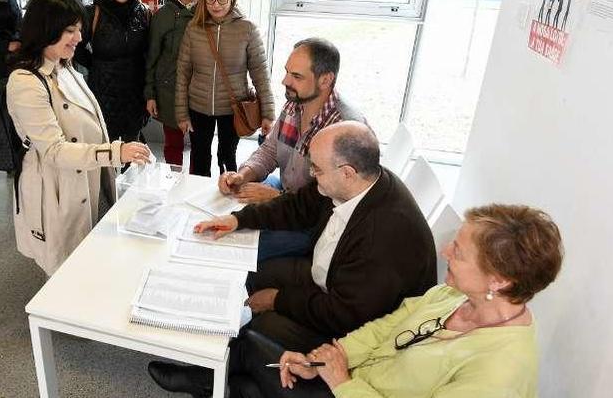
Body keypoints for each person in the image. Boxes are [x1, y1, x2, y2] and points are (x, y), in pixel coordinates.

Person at [147, 121, 436, 396]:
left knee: (264, 325)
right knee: (256, 272)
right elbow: (298, 205)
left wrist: (278, 300)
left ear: (347, 172)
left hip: (355, 326)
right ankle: (225, 361)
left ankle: (211, 378)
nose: (311, 173)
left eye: (317, 169)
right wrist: (238, 220)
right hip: (333, 279)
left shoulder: (384, 237)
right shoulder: (358, 179)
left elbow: (344, 314)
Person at [230, 204, 564, 398]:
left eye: (458, 251)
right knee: (255, 369)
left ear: (500, 279)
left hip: (350, 389)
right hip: (351, 381)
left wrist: (342, 382)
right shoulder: (453, 294)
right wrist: (323, 360)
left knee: (253, 365)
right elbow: (384, 329)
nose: (445, 252)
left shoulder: (500, 371)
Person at [6, 0, 151, 276]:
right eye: (70, 30)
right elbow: (55, 150)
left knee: (86, 260)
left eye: (79, 29)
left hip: (86, 176)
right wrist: (115, 152)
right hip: (57, 186)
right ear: (46, 29)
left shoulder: (64, 67)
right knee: (64, 270)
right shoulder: (25, 82)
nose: (80, 38)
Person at [219, 38, 367, 260]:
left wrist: (277, 198)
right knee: (228, 206)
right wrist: (243, 174)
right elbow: (270, 150)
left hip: (317, 224)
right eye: (287, 72)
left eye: (296, 76)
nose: (284, 81)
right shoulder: (294, 103)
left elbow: (335, 202)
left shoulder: (346, 128)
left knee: (236, 248)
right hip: (287, 194)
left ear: (326, 80)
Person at [175, 0, 274, 177]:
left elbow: (260, 75)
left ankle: (226, 198)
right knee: (200, 158)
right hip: (198, 107)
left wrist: (268, 113)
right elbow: (183, 73)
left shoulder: (247, 29)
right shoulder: (194, 28)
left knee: (227, 156)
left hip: (233, 108)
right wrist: (182, 113)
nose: (216, 5)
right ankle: (200, 202)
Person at [73, 0, 150, 143]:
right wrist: (95, 65)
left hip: (135, 95)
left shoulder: (144, 13)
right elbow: (76, 46)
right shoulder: (93, 12)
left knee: (133, 151)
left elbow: (149, 54)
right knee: (106, 150)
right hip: (103, 93)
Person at [144, 0, 202, 166]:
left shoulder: (208, 13)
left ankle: (196, 188)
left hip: (200, 92)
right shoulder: (162, 16)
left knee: (200, 147)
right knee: (173, 145)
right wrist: (150, 94)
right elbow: (152, 57)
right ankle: (174, 185)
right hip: (168, 91)